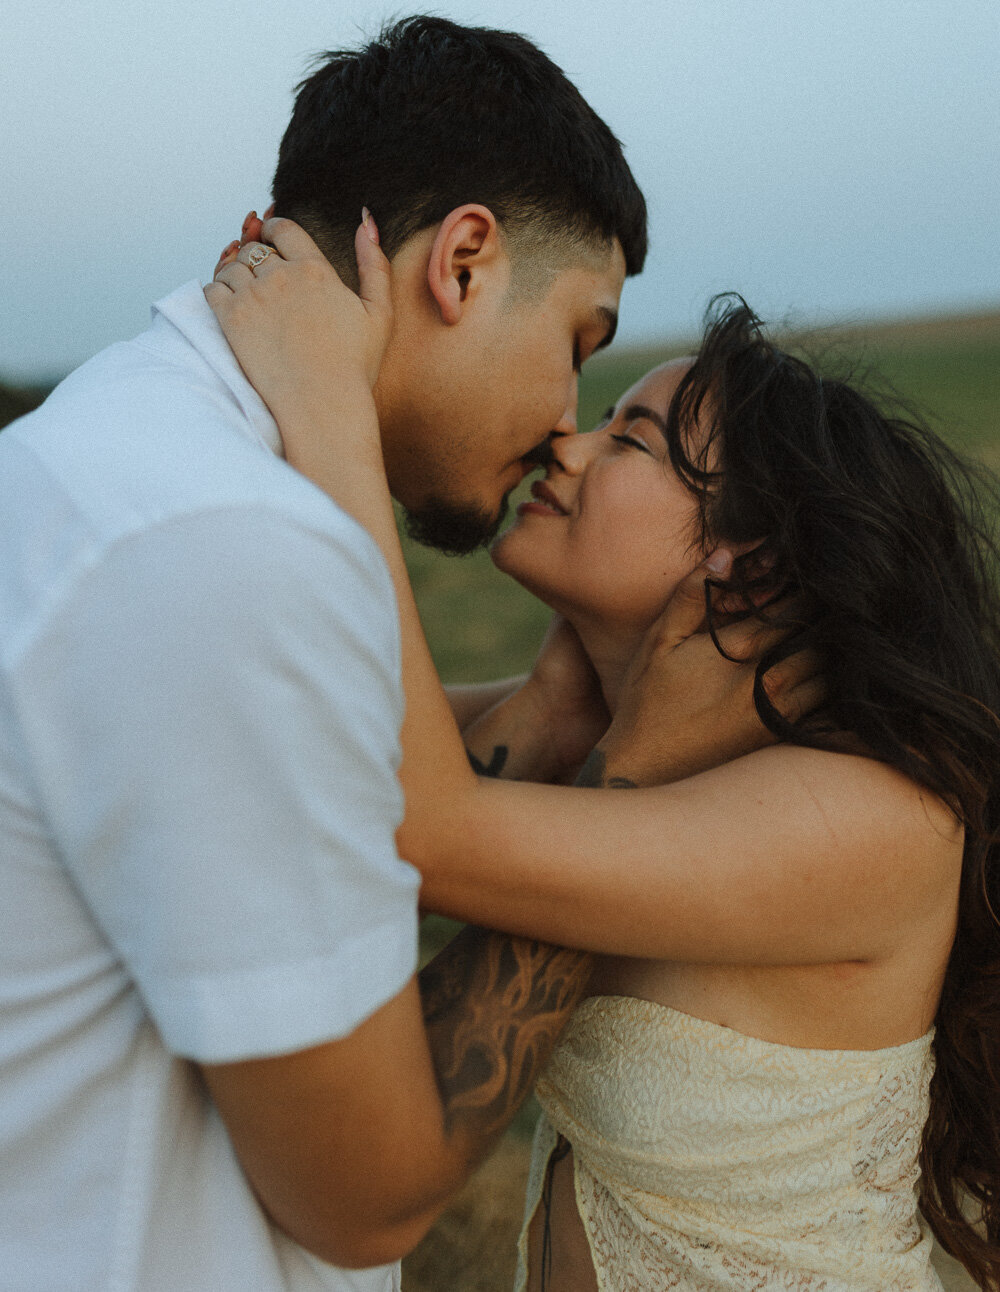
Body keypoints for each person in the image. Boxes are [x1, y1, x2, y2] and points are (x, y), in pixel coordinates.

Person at [0, 15, 727, 1292]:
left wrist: (555, 708)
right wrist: (641, 762)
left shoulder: (115, 454)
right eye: (578, 341)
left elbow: (323, 795)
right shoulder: (230, 552)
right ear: (462, 260)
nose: (567, 420)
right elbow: (366, 1189)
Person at [206, 224, 1000, 1289]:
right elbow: (321, 760)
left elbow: (418, 825)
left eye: (630, 440)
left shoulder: (862, 815)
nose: (566, 444)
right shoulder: (610, 730)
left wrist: (331, 412)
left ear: (747, 561)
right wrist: (549, 712)